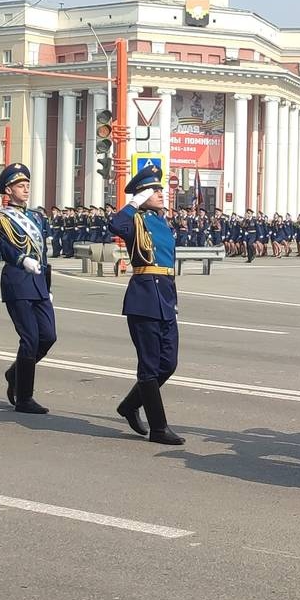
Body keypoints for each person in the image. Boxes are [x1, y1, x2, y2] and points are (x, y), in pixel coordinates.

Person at [110, 162, 185, 445]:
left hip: (165, 296)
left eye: (160, 188)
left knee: (169, 363)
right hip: (143, 297)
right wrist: (133, 204)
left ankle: (129, 405)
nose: (161, 193)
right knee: (150, 365)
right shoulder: (137, 221)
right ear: (142, 194)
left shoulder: (161, 222)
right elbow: (115, 225)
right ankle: (158, 428)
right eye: (155, 190)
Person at [0, 162, 57, 414]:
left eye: (27, 184)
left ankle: (14, 373)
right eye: (20, 185)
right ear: (8, 189)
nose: (25, 189)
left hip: (38, 283)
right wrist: (21, 259)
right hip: (17, 280)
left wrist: (48, 285)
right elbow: (3, 247)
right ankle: (24, 398)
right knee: (30, 338)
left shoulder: (36, 217)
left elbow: (44, 255)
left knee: (48, 336)